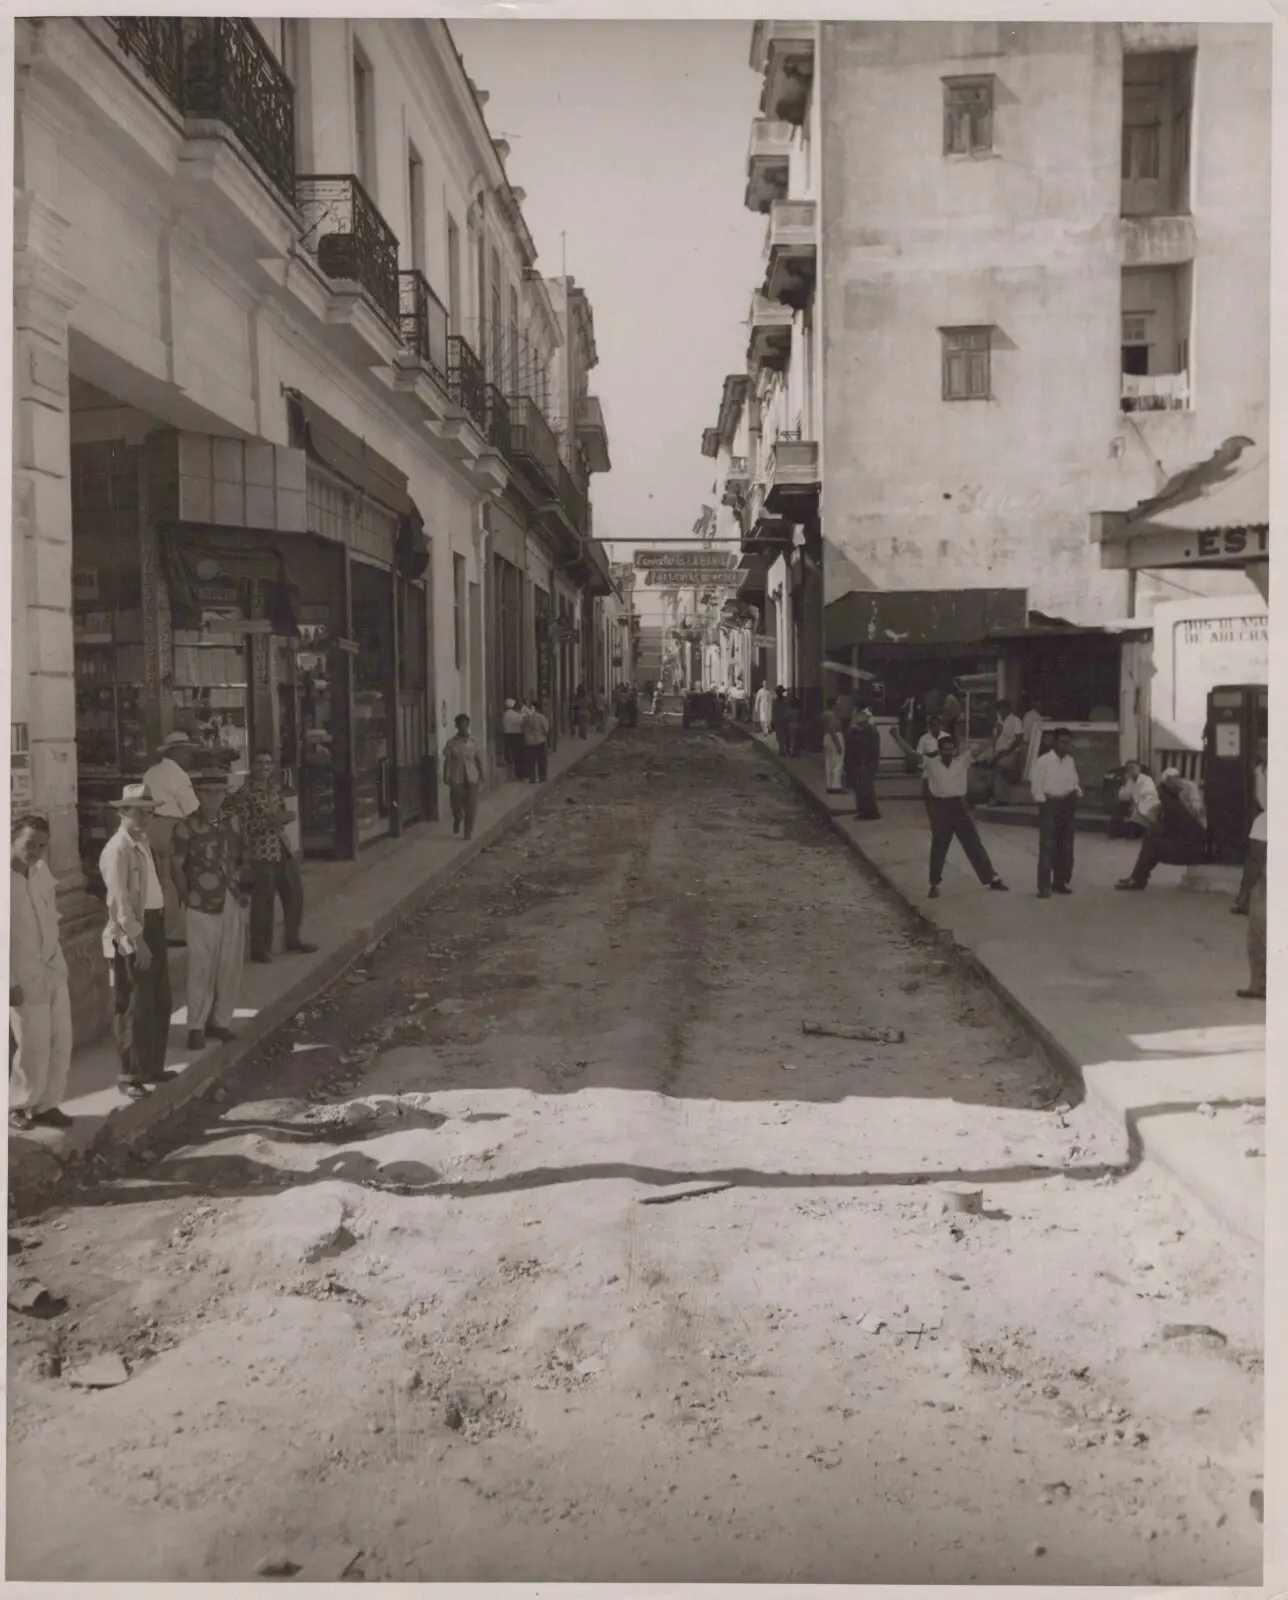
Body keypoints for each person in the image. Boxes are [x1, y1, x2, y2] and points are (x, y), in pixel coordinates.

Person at [99, 783, 175, 1100]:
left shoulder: (141, 843)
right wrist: (138, 941)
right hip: (134, 932)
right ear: (122, 812)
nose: (144, 818)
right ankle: (129, 1073)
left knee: (159, 1000)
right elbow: (120, 904)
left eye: (148, 812)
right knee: (134, 1005)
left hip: (153, 925)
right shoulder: (117, 850)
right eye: (137, 812)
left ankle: (151, 1065)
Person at [172, 770, 248, 1053]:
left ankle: (220, 1021)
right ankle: (195, 1026)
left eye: (218, 792)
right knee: (201, 965)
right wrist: (186, 897)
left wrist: (240, 888)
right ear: (198, 794)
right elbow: (176, 866)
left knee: (229, 963)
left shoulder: (233, 823)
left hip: (230, 897)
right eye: (207, 792)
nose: (213, 797)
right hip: (200, 902)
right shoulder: (185, 827)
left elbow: (240, 857)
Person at [9, 815, 73, 1131]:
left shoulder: (41, 871)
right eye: (30, 844)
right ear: (12, 838)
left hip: (52, 966)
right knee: (32, 1043)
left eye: (43, 846)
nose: (36, 851)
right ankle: (18, 1105)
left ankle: (47, 1105)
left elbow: (51, 912)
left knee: (61, 1039)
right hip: (22, 974)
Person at [227, 751, 317, 965]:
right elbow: (244, 826)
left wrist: (284, 818)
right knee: (263, 902)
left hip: (282, 847)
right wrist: (270, 820)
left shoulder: (275, 789)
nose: (265, 767)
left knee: (294, 894)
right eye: (260, 763)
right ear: (252, 766)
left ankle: (293, 938)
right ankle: (260, 949)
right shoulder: (243, 794)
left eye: (268, 763)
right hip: (261, 851)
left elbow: (283, 813)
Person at [924, 734, 1008, 900]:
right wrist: (897, 738)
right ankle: (934, 884)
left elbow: (982, 748)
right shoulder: (931, 764)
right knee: (939, 846)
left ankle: (991, 878)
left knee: (973, 843)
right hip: (941, 806)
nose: (948, 751)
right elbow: (913, 754)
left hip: (959, 806)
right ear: (939, 750)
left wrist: (996, 735)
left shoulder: (962, 761)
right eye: (945, 749)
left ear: (954, 750)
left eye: (951, 748)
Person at [142, 731, 199, 946]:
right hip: (173, 827)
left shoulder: (151, 772)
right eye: (186, 752)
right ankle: (174, 931)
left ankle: (163, 928)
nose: (189, 756)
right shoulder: (179, 776)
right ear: (175, 752)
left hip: (152, 826)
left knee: (161, 880)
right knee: (178, 879)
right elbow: (192, 809)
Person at [1115, 768, 1208, 890]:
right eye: (1177, 777)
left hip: (1194, 849)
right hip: (1193, 845)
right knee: (1152, 842)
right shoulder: (1166, 798)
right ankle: (1138, 878)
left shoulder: (1169, 797)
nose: (1181, 781)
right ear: (1169, 781)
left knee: (1152, 844)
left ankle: (1138, 879)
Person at [1030, 727, 1083, 898]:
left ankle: (1060, 882)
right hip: (1050, 804)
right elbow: (1036, 785)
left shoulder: (1070, 761)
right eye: (1062, 742)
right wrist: (1044, 804)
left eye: (1068, 742)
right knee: (1048, 845)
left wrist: (1077, 793)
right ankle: (1043, 886)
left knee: (1066, 846)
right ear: (1054, 742)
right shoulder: (1043, 761)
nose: (1065, 745)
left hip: (1067, 803)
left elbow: (1075, 781)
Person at [1238, 766, 1267, 999]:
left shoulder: (1265, 819)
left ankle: (1261, 985)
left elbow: (1256, 861)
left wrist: (1244, 893)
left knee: (1259, 936)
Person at [1232, 737, 1268, 915]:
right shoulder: (1259, 770)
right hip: (1267, 817)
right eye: (1261, 748)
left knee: (1259, 860)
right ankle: (1243, 899)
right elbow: (1260, 797)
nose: (1264, 751)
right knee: (1254, 860)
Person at [442, 713, 485, 840]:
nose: (463, 728)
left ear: (468, 725)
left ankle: (468, 830)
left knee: (471, 805)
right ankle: (457, 817)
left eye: (465, 725)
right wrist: (446, 774)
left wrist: (482, 773)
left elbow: (478, 759)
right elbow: (447, 760)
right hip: (456, 777)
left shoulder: (474, 742)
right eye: (460, 725)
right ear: (456, 726)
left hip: (472, 776)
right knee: (455, 803)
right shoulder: (451, 743)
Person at [844, 707, 883, 821]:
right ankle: (864, 810)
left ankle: (869, 810)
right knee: (860, 788)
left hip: (867, 764)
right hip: (859, 764)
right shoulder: (856, 733)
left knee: (865, 788)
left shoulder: (871, 733)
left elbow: (871, 750)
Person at [990, 699, 1027, 805]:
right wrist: (998, 731)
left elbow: (1019, 738)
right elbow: (994, 739)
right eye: (1000, 709)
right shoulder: (999, 722)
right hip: (998, 752)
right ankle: (1002, 797)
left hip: (1011, 753)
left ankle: (999, 797)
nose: (1001, 712)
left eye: (1003, 709)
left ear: (1008, 709)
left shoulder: (1015, 720)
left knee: (999, 766)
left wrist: (1007, 752)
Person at [1112, 760, 1160, 839]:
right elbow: (1124, 795)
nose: (1131, 771)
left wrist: (1135, 804)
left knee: (1137, 810)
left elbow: (1148, 796)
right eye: (1128, 769)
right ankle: (1115, 831)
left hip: (1148, 803)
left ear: (1139, 768)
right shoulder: (1129, 781)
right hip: (1134, 803)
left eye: (1133, 768)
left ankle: (1134, 832)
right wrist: (1123, 783)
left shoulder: (1146, 780)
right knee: (1118, 807)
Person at [914, 713, 944, 822]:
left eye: (936, 725)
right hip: (929, 772)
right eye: (932, 725)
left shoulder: (946, 737)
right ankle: (933, 819)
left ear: (940, 725)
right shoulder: (924, 739)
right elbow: (919, 755)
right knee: (928, 797)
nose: (934, 728)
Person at [523, 698, 550, 783]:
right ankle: (542, 776)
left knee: (531, 760)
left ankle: (532, 777)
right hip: (540, 740)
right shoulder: (542, 717)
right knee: (541, 759)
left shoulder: (526, 717)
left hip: (530, 741)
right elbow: (546, 729)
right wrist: (544, 735)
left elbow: (523, 728)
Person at [822, 697, 846, 792]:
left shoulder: (824, 714)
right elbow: (832, 729)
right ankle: (836, 786)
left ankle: (829, 785)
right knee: (838, 762)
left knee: (828, 763)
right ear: (834, 705)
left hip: (826, 737)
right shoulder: (832, 715)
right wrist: (838, 745)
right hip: (835, 737)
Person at [501, 698, 524, 777]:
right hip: (517, 734)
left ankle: (509, 761)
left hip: (507, 734)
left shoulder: (504, 715)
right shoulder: (518, 715)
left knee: (508, 750)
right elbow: (522, 723)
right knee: (517, 753)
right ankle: (519, 772)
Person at [941, 681, 964, 745]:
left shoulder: (953, 698)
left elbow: (948, 708)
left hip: (953, 720)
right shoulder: (951, 698)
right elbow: (947, 708)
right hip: (951, 720)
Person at [771, 686, 790, 756]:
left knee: (786, 736)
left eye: (780, 692)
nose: (779, 693)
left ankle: (785, 749)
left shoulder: (786, 700)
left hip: (785, 720)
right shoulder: (775, 701)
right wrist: (773, 721)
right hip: (778, 721)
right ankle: (782, 750)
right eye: (778, 692)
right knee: (779, 736)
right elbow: (773, 712)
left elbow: (788, 709)